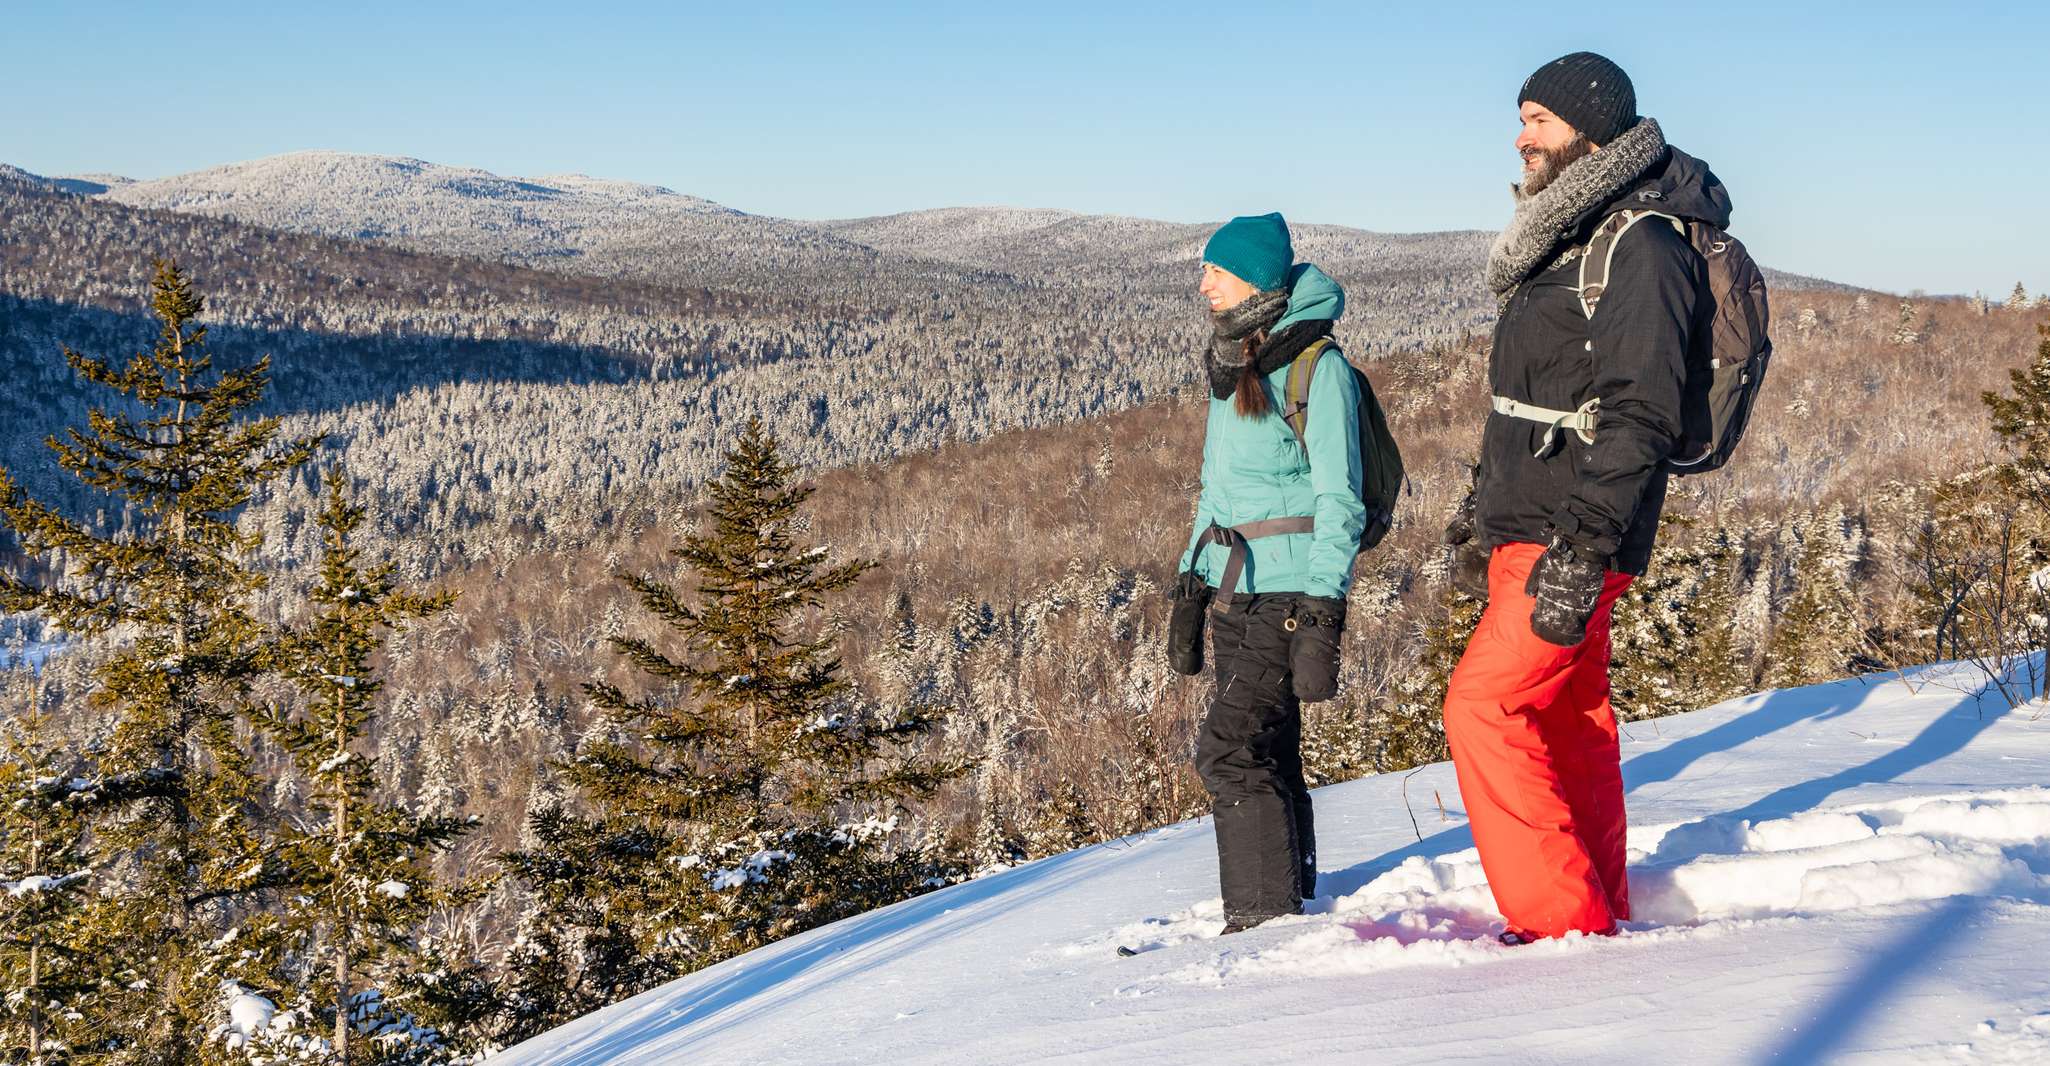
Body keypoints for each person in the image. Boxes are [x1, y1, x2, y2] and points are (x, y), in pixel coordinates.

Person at [1441, 52, 1728, 942]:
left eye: (1538, 120)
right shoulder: (1573, 235)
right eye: (1521, 118)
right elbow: (1534, 397)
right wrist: (1478, 512)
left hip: (1571, 531)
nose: (1519, 137)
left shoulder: (1640, 245)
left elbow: (1641, 411)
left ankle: (1560, 927)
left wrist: (1583, 546)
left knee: (1482, 707)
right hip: (1534, 522)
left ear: (1591, 131)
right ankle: (1598, 907)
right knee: (1571, 721)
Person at [1175, 212, 1365, 933]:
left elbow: (1340, 500)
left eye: (1217, 272)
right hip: (1235, 589)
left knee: (1228, 751)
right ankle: (1294, 900)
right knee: (1270, 747)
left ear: (1255, 279)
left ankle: (1261, 923)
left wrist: (1323, 612)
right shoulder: (1234, 365)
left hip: (1287, 590)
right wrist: (1191, 584)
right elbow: (1216, 489)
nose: (1204, 285)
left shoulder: (1318, 367)